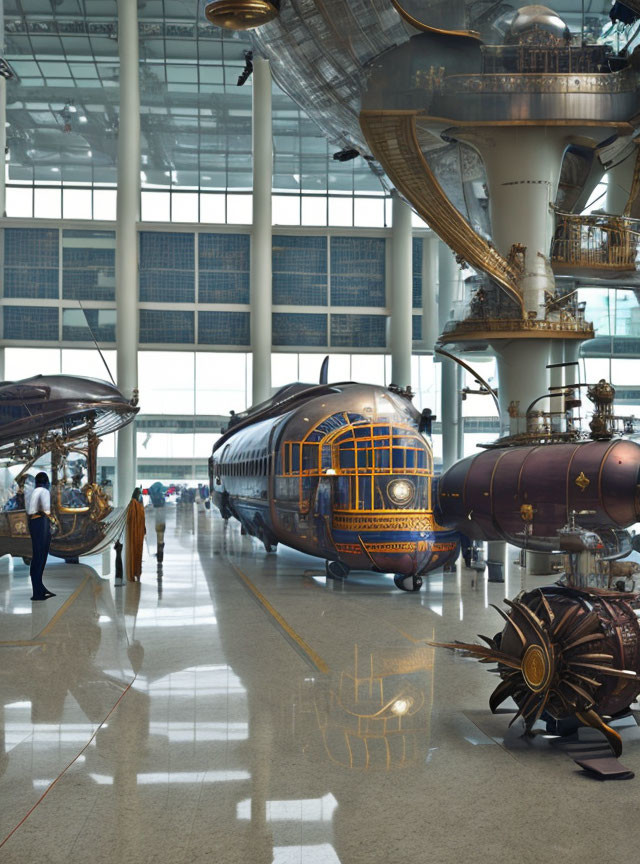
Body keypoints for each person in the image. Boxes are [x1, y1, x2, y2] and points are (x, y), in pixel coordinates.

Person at [27, 471, 56, 602]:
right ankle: (37, 592)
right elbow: (46, 510)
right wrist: (53, 519)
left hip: (35, 522)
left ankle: (39, 588)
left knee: (38, 556)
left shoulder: (35, 491)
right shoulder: (44, 492)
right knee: (40, 556)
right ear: (46, 482)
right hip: (40, 522)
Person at [126, 488, 146, 582]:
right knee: (134, 552)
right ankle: (134, 572)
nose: (140, 495)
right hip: (135, 532)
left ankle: (138, 573)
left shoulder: (139, 504)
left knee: (139, 552)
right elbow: (131, 519)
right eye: (139, 494)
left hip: (139, 532)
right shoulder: (133, 504)